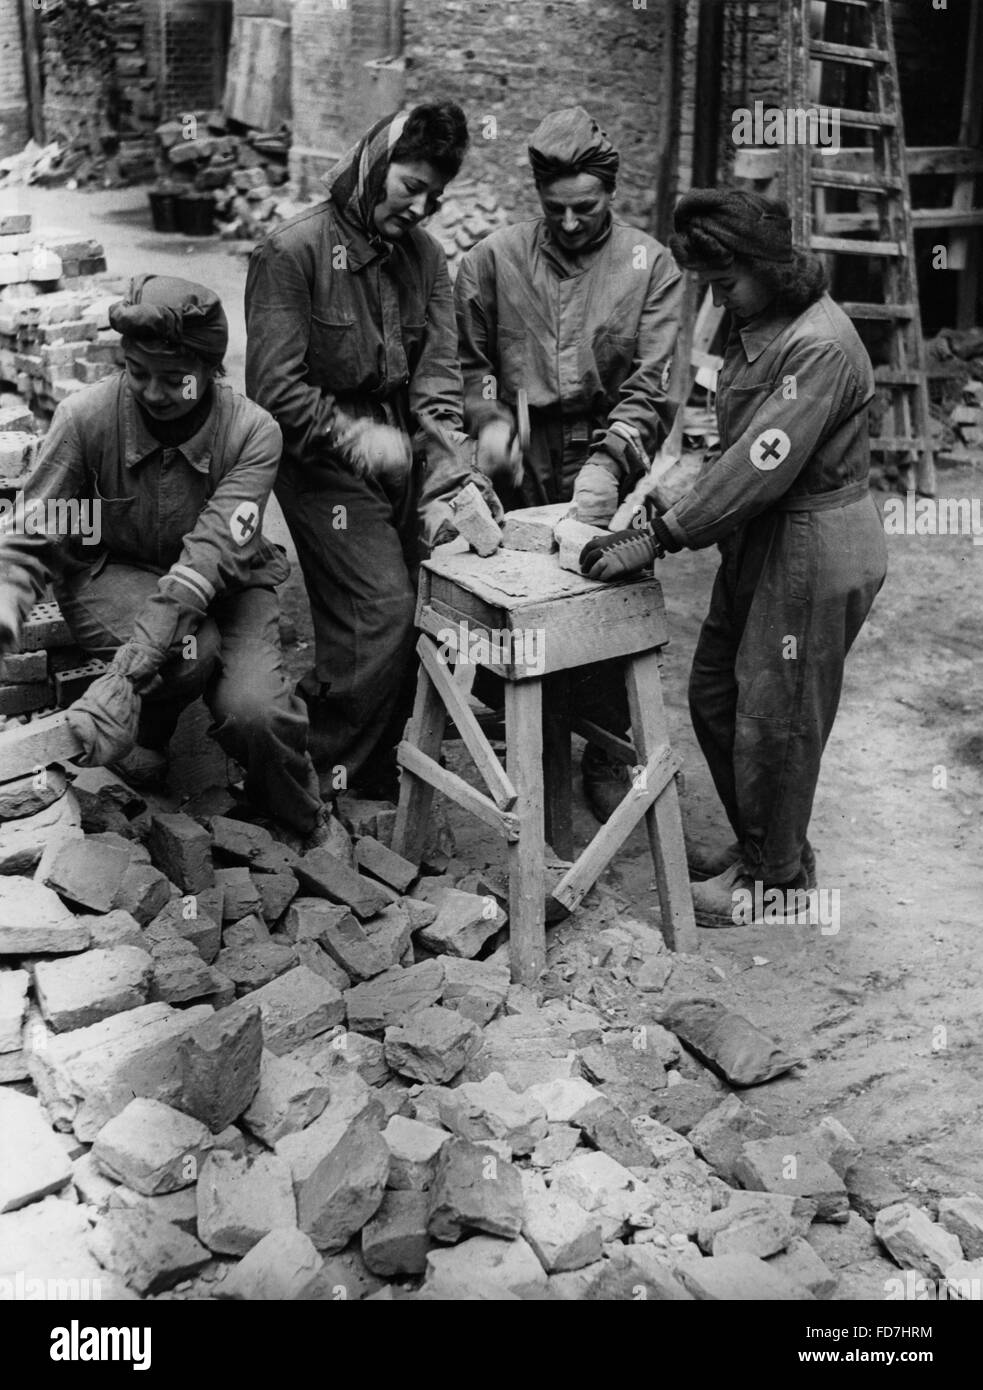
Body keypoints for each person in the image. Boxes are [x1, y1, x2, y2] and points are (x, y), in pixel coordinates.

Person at [580, 189, 888, 926]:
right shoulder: (752, 320)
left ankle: (773, 881)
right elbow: (717, 440)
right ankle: (767, 847)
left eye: (725, 283)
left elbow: (759, 462)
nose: (717, 299)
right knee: (717, 695)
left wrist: (657, 537)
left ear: (768, 267)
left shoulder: (815, 343)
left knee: (776, 718)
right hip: (761, 533)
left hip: (812, 542)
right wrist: (656, 497)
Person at [0, 273, 330, 843]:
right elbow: (32, 533)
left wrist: (124, 675)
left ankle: (303, 819)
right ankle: (146, 744)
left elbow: (206, 561)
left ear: (209, 370)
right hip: (113, 571)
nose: (153, 392)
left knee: (257, 711)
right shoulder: (87, 417)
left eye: (174, 379)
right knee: (188, 653)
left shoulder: (253, 433)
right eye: (137, 372)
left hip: (226, 581)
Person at [454, 106, 683, 821]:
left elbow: (655, 377)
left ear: (609, 193)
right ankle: (533, 752)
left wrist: (612, 460)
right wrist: (489, 424)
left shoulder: (650, 264)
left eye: (586, 207)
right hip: (524, 451)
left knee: (606, 595)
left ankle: (608, 755)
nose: (573, 222)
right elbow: (468, 364)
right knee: (521, 599)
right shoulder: (494, 258)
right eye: (556, 210)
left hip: (611, 447)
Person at [245, 102, 477, 802]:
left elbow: (437, 380)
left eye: (434, 196)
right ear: (375, 164)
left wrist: (452, 469)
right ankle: (310, 784)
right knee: (378, 611)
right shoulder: (292, 251)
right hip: (318, 458)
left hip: (401, 453)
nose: (420, 207)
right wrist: (355, 438)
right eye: (410, 185)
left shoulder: (427, 258)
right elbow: (273, 393)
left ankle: (378, 775)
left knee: (425, 609)